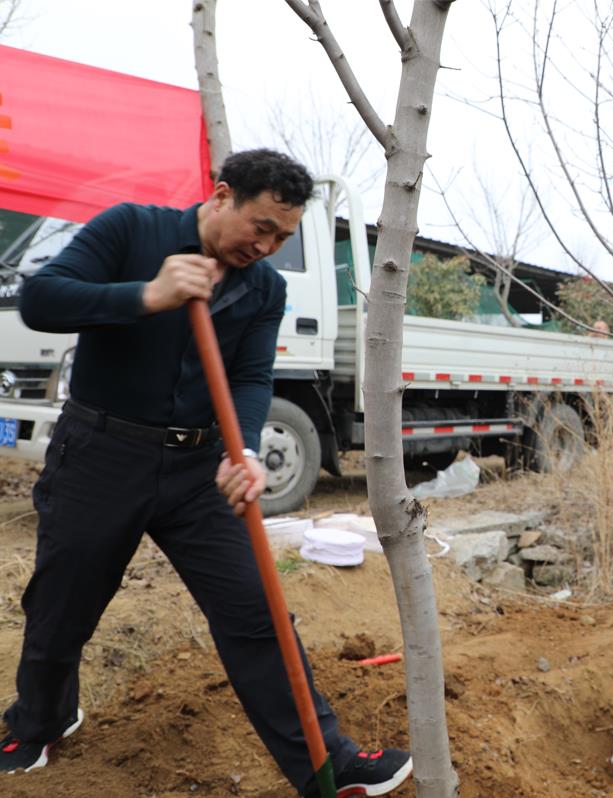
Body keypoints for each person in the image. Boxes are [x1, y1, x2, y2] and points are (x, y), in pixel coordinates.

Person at [2, 149, 411, 797]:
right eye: (261, 227)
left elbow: (250, 376)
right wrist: (149, 294)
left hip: (198, 471)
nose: (267, 246)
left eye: (282, 237)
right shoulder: (131, 229)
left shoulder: (263, 289)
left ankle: (327, 764)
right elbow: (41, 299)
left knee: (256, 610)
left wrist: (241, 450)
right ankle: (38, 723)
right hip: (101, 453)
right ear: (222, 196)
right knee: (60, 606)